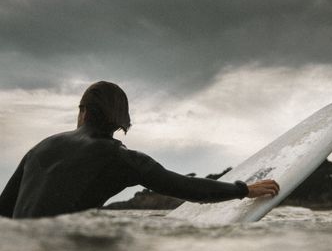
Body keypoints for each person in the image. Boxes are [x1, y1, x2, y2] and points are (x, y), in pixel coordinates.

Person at [0, 81, 280, 218]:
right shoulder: (121, 159)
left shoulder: (41, 147)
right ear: (121, 119)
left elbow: (3, 211)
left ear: (83, 113)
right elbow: (186, 188)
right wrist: (244, 190)